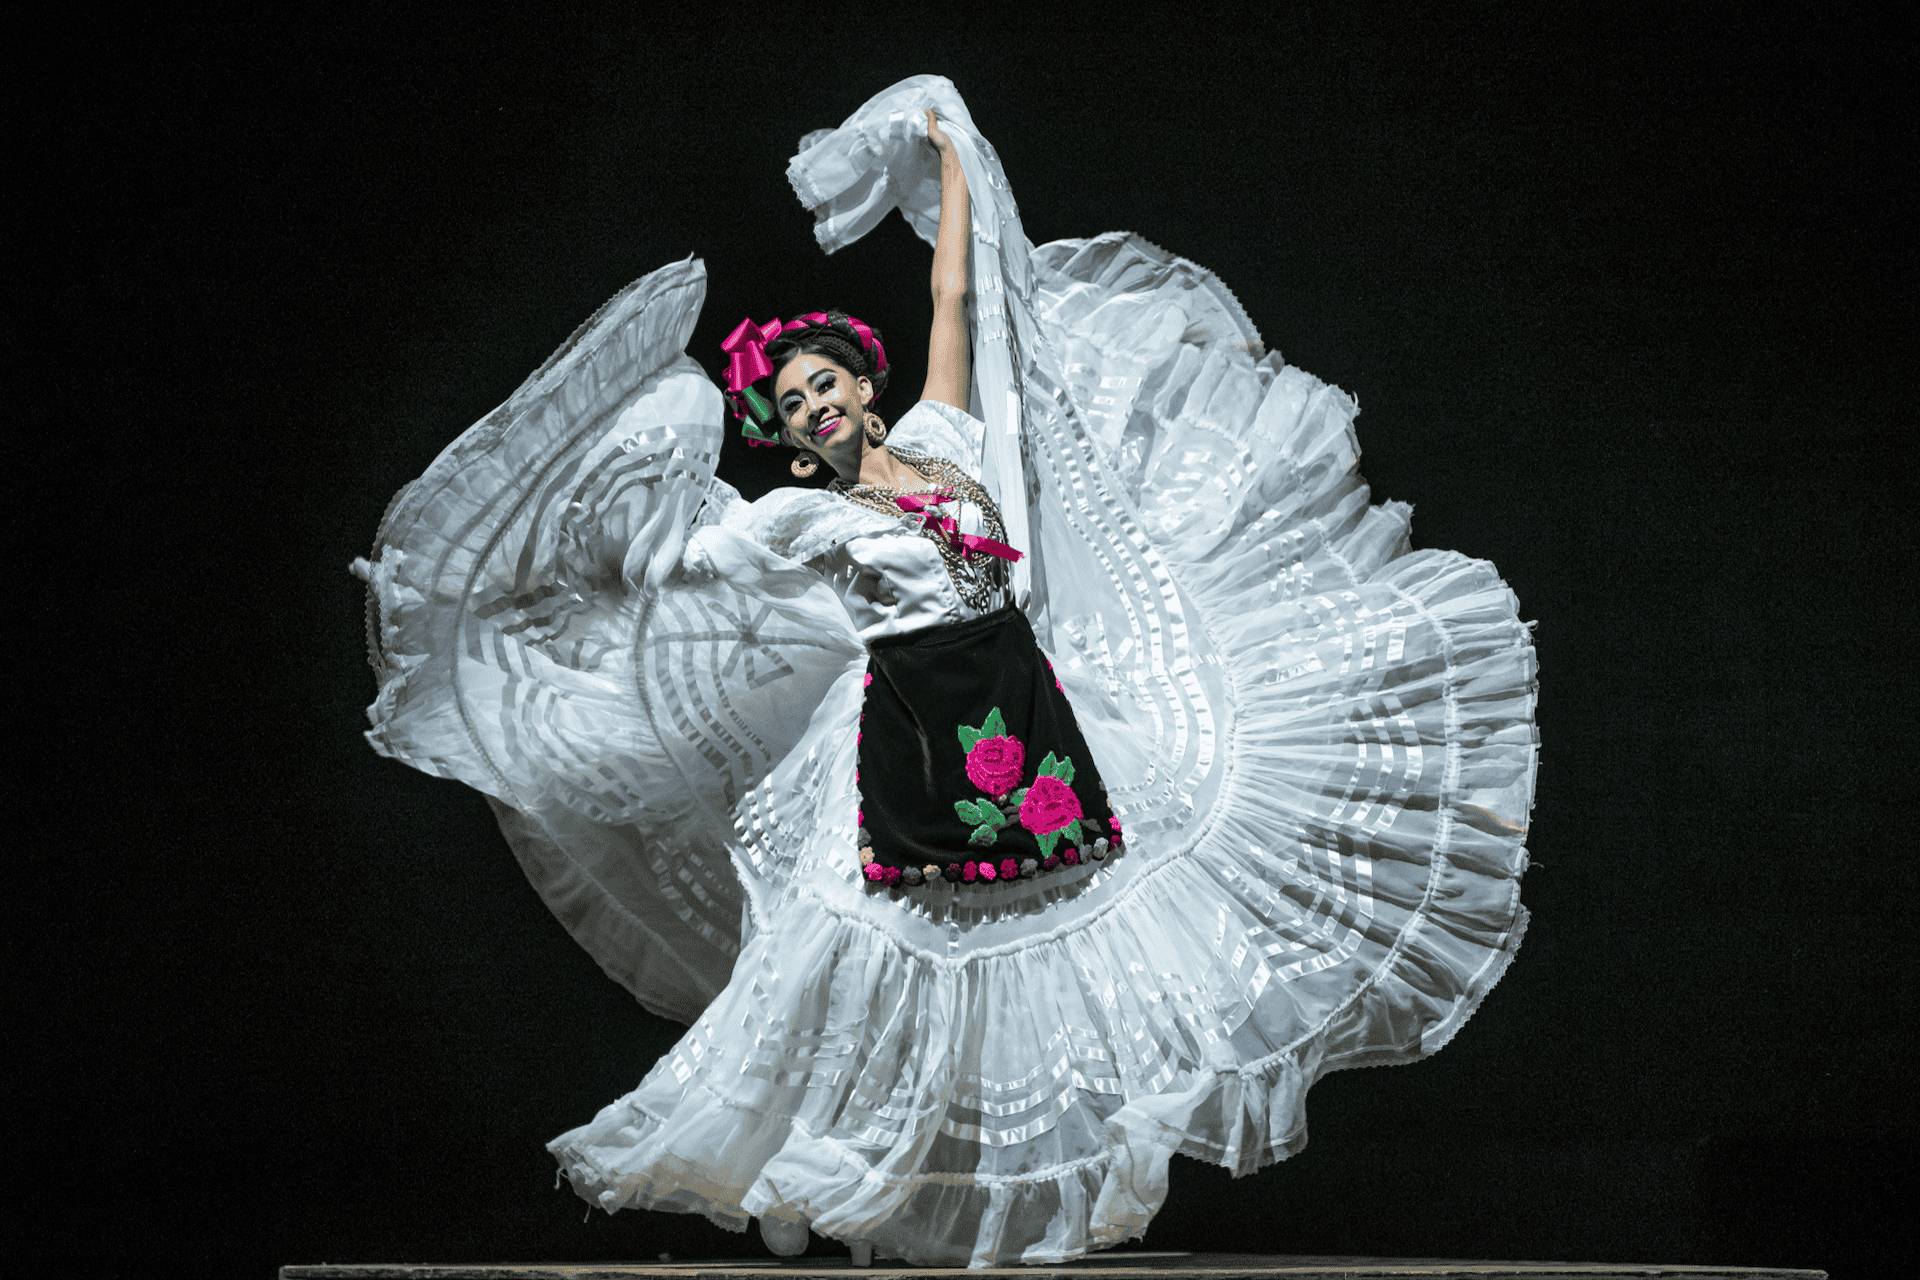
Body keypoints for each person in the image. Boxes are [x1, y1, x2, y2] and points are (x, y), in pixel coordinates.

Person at [352, 75, 1541, 1269]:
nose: (815, 408)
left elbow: (956, 296)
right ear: (791, 438)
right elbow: (676, 568)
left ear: (864, 388)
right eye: (793, 406)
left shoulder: (943, 439)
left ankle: (979, 1179)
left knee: (1069, 935)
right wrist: (586, 533)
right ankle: (816, 1159)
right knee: (853, 964)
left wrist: (954, 161)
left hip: (1017, 707)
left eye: (825, 385)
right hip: (907, 731)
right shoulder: (798, 520)